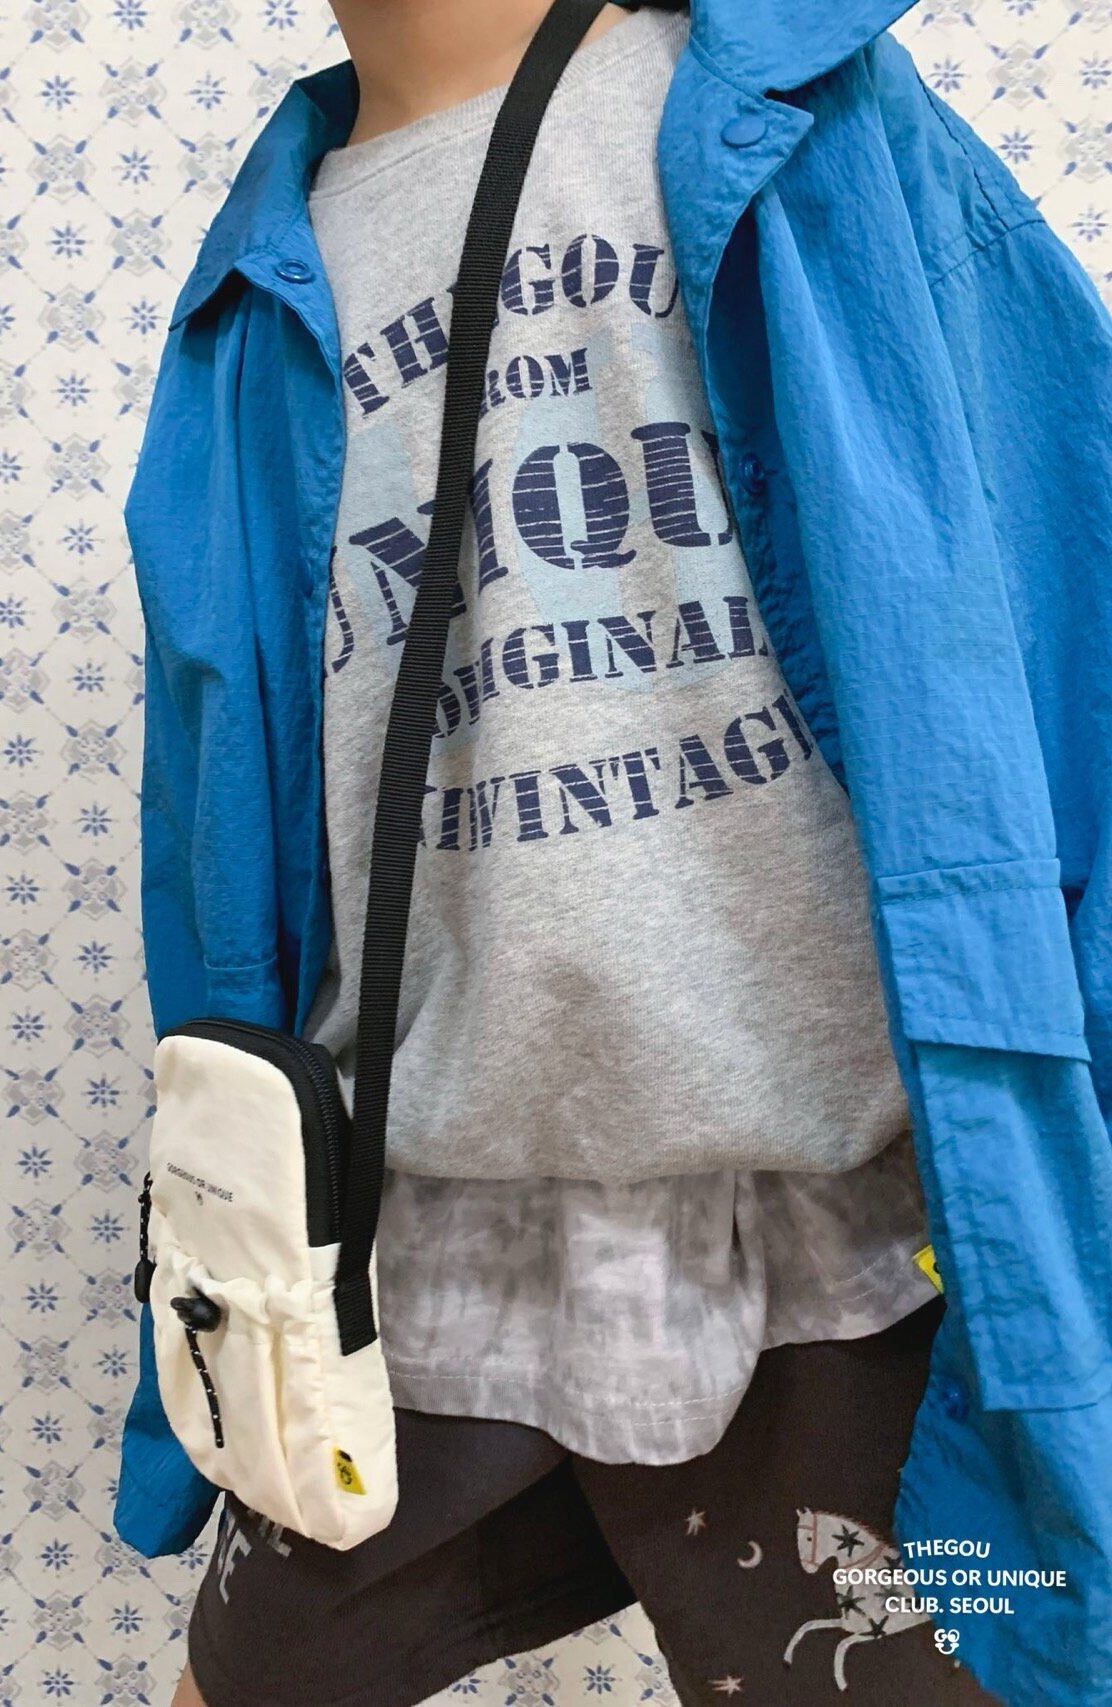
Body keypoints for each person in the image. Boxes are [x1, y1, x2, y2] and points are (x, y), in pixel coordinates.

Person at [119, 3, 1112, 1705]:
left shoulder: (792, 119)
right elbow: (214, 844)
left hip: (858, 1259)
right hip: (427, 1253)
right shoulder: (255, 282)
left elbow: (1076, 605)